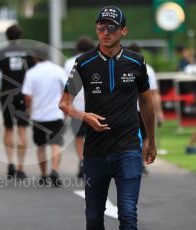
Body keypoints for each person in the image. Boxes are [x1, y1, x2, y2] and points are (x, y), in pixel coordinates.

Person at [59, 6, 157, 229]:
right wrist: (84, 116)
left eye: (111, 27)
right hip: (95, 152)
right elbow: (64, 104)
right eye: (101, 26)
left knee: (128, 214)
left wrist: (150, 139)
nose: (105, 31)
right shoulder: (83, 63)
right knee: (93, 218)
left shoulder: (136, 62)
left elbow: (146, 101)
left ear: (124, 31)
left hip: (129, 149)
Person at [0, 24, 35, 179]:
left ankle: (10, 164)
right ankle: (21, 168)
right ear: (20, 36)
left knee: (8, 128)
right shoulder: (28, 52)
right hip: (23, 94)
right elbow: (33, 73)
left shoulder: (2, 52)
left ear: (7, 37)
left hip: (6, 94)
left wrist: (2, 75)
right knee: (22, 129)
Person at [22, 48, 67, 187]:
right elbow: (68, 89)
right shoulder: (58, 70)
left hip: (38, 115)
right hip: (56, 113)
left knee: (41, 145)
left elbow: (27, 96)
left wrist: (29, 110)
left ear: (36, 58)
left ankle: (44, 174)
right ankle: (55, 170)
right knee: (56, 144)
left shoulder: (31, 73)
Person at [128, 43, 164, 175]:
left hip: (128, 109)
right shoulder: (148, 68)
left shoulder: (123, 65)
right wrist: (159, 112)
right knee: (144, 136)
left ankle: (134, 163)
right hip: (143, 109)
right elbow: (154, 93)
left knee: (130, 137)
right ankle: (141, 164)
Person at [64, 36, 95, 179]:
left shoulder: (69, 63)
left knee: (79, 137)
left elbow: (66, 85)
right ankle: (92, 163)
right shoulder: (95, 60)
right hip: (94, 105)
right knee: (94, 135)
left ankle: (82, 162)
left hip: (76, 107)